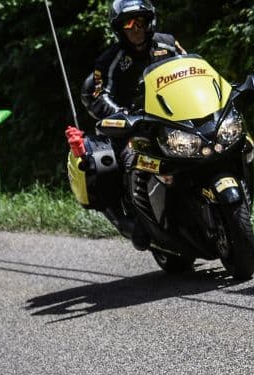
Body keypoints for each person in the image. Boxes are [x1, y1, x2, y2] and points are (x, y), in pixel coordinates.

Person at [79, 0, 185, 250]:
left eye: (141, 21)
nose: (135, 28)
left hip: (173, 116)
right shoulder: (110, 59)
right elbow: (97, 94)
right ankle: (138, 219)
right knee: (129, 158)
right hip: (133, 125)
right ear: (119, 28)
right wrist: (122, 115)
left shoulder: (168, 44)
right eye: (128, 23)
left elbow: (191, 66)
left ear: (150, 21)